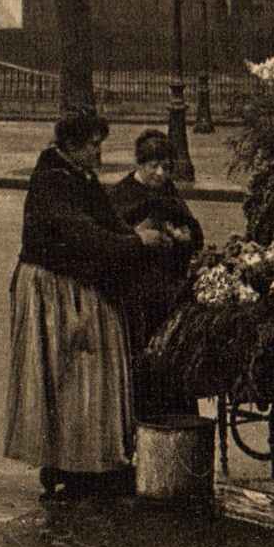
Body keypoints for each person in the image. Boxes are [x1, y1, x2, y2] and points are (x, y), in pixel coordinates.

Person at [3, 111, 171, 502]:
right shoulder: (52, 180)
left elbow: (107, 222)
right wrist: (135, 243)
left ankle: (90, 462)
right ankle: (69, 465)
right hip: (54, 288)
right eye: (94, 145)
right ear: (74, 147)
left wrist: (135, 235)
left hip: (75, 283)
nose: (99, 152)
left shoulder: (79, 177)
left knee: (88, 373)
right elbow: (80, 233)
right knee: (73, 373)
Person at [110, 129, 204, 420]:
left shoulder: (167, 191)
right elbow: (114, 240)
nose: (161, 174)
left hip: (167, 292)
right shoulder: (122, 194)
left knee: (172, 361)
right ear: (140, 164)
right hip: (136, 296)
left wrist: (185, 236)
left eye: (166, 167)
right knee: (144, 362)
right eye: (154, 167)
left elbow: (193, 232)